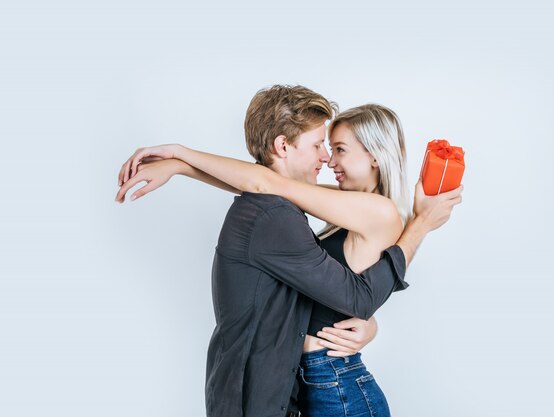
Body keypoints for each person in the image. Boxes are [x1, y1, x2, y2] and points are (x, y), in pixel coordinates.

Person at [116, 85, 463, 417]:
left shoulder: (379, 210)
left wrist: (421, 222)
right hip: (319, 380)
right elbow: (262, 184)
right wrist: (180, 166)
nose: (328, 159)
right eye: (323, 146)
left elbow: (267, 184)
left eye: (339, 149)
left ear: (374, 155)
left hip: (337, 384)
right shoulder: (345, 205)